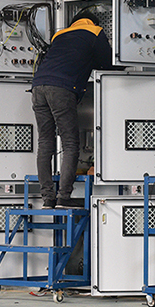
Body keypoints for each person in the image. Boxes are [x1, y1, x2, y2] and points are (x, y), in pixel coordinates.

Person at [30, 11, 113, 210]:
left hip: (38, 86)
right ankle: (63, 197)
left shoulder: (60, 35)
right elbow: (109, 63)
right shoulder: (95, 31)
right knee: (70, 143)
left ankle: (47, 198)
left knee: (45, 142)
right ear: (93, 21)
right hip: (61, 89)